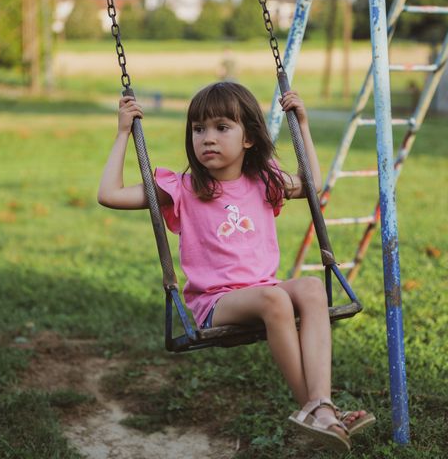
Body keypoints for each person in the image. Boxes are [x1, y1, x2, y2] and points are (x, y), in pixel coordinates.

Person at [97, 81, 375, 452]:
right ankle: (312, 408)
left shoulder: (263, 182)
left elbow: (313, 185)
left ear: (248, 139)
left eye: (221, 128)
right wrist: (121, 135)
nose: (207, 138)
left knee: (310, 287)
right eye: (199, 129)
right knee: (275, 300)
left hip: (262, 290)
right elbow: (109, 195)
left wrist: (303, 125)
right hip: (216, 303)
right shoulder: (182, 187)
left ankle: (323, 403)